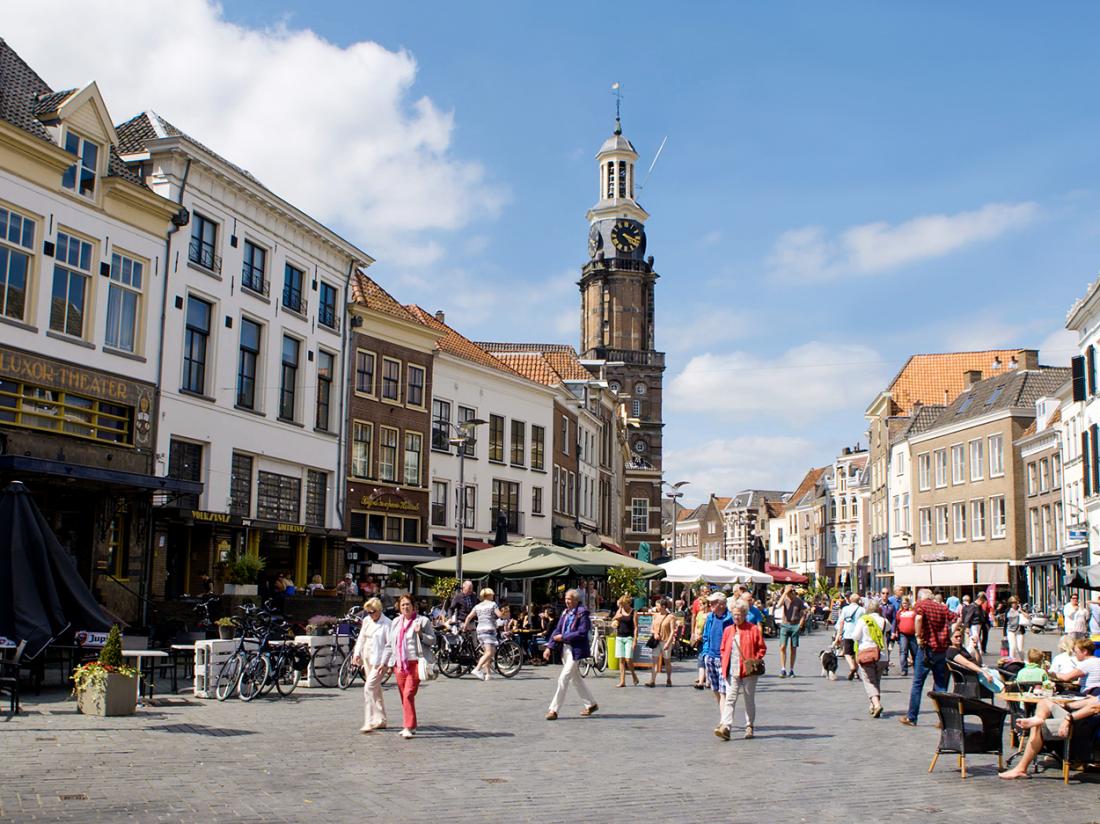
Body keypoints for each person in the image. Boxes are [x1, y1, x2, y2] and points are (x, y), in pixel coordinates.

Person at [998, 695, 1100, 780]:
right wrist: (1066, 705)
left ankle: (1021, 769)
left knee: (1038, 727)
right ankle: (1038, 718)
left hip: (1086, 726)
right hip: (1080, 718)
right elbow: (1093, 700)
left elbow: (1094, 707)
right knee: (1045, 702)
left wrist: (1068, 719)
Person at [383, 593, 435, 739]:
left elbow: (433, 640)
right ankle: (411, 725)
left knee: (408, 694)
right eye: (403, 604)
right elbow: (390, 644)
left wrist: (420, 634)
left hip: (416, 663)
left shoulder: (422, 621)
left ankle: (408, 726)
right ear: (399, 607)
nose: (405, 607)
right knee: (404, 696)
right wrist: (385, 663)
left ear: (413, 606)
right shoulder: (395, 622)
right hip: (400, 664)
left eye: (408, 604)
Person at [901, 587, 952, 727]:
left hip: (926, 649)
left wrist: (918, 636)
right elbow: (956, 618)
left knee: (918, 683)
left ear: (920, 597)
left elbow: (918, 619)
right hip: (941, 650)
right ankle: (944, 719)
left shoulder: (921, 605)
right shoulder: (941, 607)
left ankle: (912, 717)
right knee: (940, 685)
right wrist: (949, 635)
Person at [544, 589, 598, 720]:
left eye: (569, 599)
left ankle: (554, 710)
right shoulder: (565, 612)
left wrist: (563, 637)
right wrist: (549, 647)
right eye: (566, 598)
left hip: (575, 650)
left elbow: (582, 632)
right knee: (576, 679)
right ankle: (591, 704)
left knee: (563, 678)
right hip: (565, 649)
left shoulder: (582, 613)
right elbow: (558, 629)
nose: (566, 601)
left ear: (576, 600)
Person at [715, 604, 766, 740]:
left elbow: (762, 648)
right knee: (730, 699)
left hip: (748, 670)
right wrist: (723, 660)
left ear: (745, 615)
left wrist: (754, 659)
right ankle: (726, 727)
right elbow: (723, 648)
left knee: (748, 699)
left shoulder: (753, 629)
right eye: (734, 614)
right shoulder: (728, 630)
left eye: (739, 614)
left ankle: (749, 725)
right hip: (732, 669)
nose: (736, 617)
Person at [351, 597, 391, 732]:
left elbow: (389, 645)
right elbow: (361, 638)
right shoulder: (367, 621)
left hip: (380, 661)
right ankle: (381, 719)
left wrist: (387, 663)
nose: (370, 614)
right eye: (368, 612)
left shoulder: (387, 623)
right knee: (376, 690)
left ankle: (369, 720)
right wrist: (357, 654)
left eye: (372, 611)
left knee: (368, 688)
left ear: (379, 610)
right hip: (367, 658)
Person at [851, 601, 890, 717]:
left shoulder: (864, 620)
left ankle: (877, 704)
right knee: (876, 681)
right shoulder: (884, 621)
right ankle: (872, 705)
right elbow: (889, 628)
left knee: (869, 681)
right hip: (882, 655)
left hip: (867, 654)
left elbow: (855, 636)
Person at [701, 592, 734, 706]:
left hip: (723, 658)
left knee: (723, 691)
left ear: (721, 604)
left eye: (713, 603)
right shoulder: (710, 617)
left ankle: (724, 721)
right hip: (710, 656)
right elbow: (706, 636)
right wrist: (705, 654)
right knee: (715, 689)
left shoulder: (731, 619)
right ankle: (723, 716)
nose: (710, 604)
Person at [463, 587, 502, 682]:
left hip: (479, 630)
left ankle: (488, 674)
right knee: (490, 653)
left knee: (486, 653)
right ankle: (477, 669)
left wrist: (465, 627)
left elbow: (469, 617)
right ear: (488, 595)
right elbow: (499, 615)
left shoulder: (478, 606)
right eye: (492, 594)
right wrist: (505, 614)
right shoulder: (493, 604)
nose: (493, 596)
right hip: (489, 629)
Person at [775, 585, 807, 678]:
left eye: (790, 592)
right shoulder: (784, 598)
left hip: (795, 625)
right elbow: (778, 605)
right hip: (785, 625)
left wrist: (800, 624)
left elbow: (803, 613)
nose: (789, 594)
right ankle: (783, 669)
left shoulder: (798, 601)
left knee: (793, 648)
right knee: (782, 647)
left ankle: (791, 669)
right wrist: (784, 593)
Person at [646, 598, 676, 687]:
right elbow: (651, 628)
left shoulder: (671, 617)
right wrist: (655, 633)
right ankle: (652, 680)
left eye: (657, 605)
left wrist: (668, 643)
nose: (656, 607)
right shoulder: (655, 615)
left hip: (666, 641)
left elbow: (672, 631)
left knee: (667, 661)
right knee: (654, 660)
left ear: (663, 606)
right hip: (656, 641)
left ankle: (668, 678)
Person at [835, 593, 865, 680]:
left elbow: (841, 622)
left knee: (847, 653)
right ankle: (855, 672)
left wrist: (839, 634)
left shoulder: (845, 609)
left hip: (847, 633)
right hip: (858, 634)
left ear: (850, 600)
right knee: (856, 653)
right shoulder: (862, 610)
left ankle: (852, 667)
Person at [611, 594, 640, 687]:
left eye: (624, 604)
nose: (622, 606)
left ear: (628, 603)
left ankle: (633, 675)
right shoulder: (620, 610)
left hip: (629, 637)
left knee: (628, 659)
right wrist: (616, 617)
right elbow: (613, 619)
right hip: (619, 637)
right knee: (621, 660)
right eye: (621, 604)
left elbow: (636, 627)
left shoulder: (633, 612)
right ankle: (622, 681)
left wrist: (635, 639)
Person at [691, 595, 710, 689]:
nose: (699, 606)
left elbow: (710, 629)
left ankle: (708, 680)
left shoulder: (710, 615)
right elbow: (696, 626)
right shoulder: (699, 614)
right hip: (699, 640)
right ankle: (701, 681)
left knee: (707, 660)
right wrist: (695, 634)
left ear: (706, 604)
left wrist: (702, 636)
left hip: (707, 640)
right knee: (701, 660)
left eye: (701, 604)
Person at [895, 596, 916, 677]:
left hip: (912, 634)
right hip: (903, 634)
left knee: (915, 652)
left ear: (908, 603)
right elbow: (897, 622)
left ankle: (916, 669)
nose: (905, 605)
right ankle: (904, 669)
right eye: (903, 603)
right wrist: (895, 632)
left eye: (906, 603)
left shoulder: (913, 612)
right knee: (903, 652)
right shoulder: (899, 612)